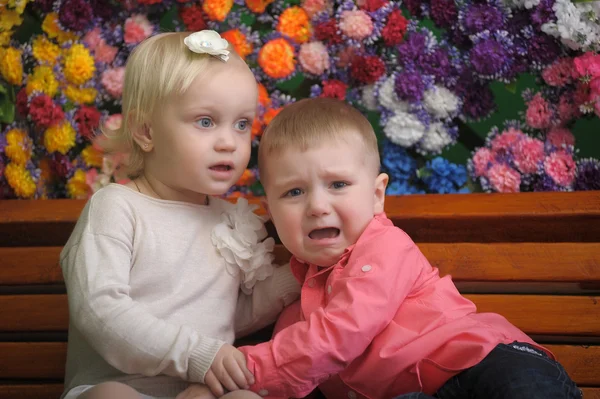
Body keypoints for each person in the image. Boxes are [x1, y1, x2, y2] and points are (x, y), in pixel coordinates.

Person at [233, 97, 579, 399]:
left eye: (338, 184)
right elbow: (294, 374)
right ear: (272, 212)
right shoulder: (294, 321)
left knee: (521, 388)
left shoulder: (384, 247)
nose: (317, 206)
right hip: (415, 395)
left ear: (377, 195)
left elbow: (340, 334)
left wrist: (242, 370)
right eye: (294, 192)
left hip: (485, 363)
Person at [59, 30, 300, 399]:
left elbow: (224, 316)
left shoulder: (227, 218)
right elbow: (99, 310)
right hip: (118, 385)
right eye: (205, 121)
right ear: (145, 130)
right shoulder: (116, 208)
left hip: (200, 390)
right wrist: (197, 354)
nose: (228, 142)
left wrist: (297, 277)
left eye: (241, 125)